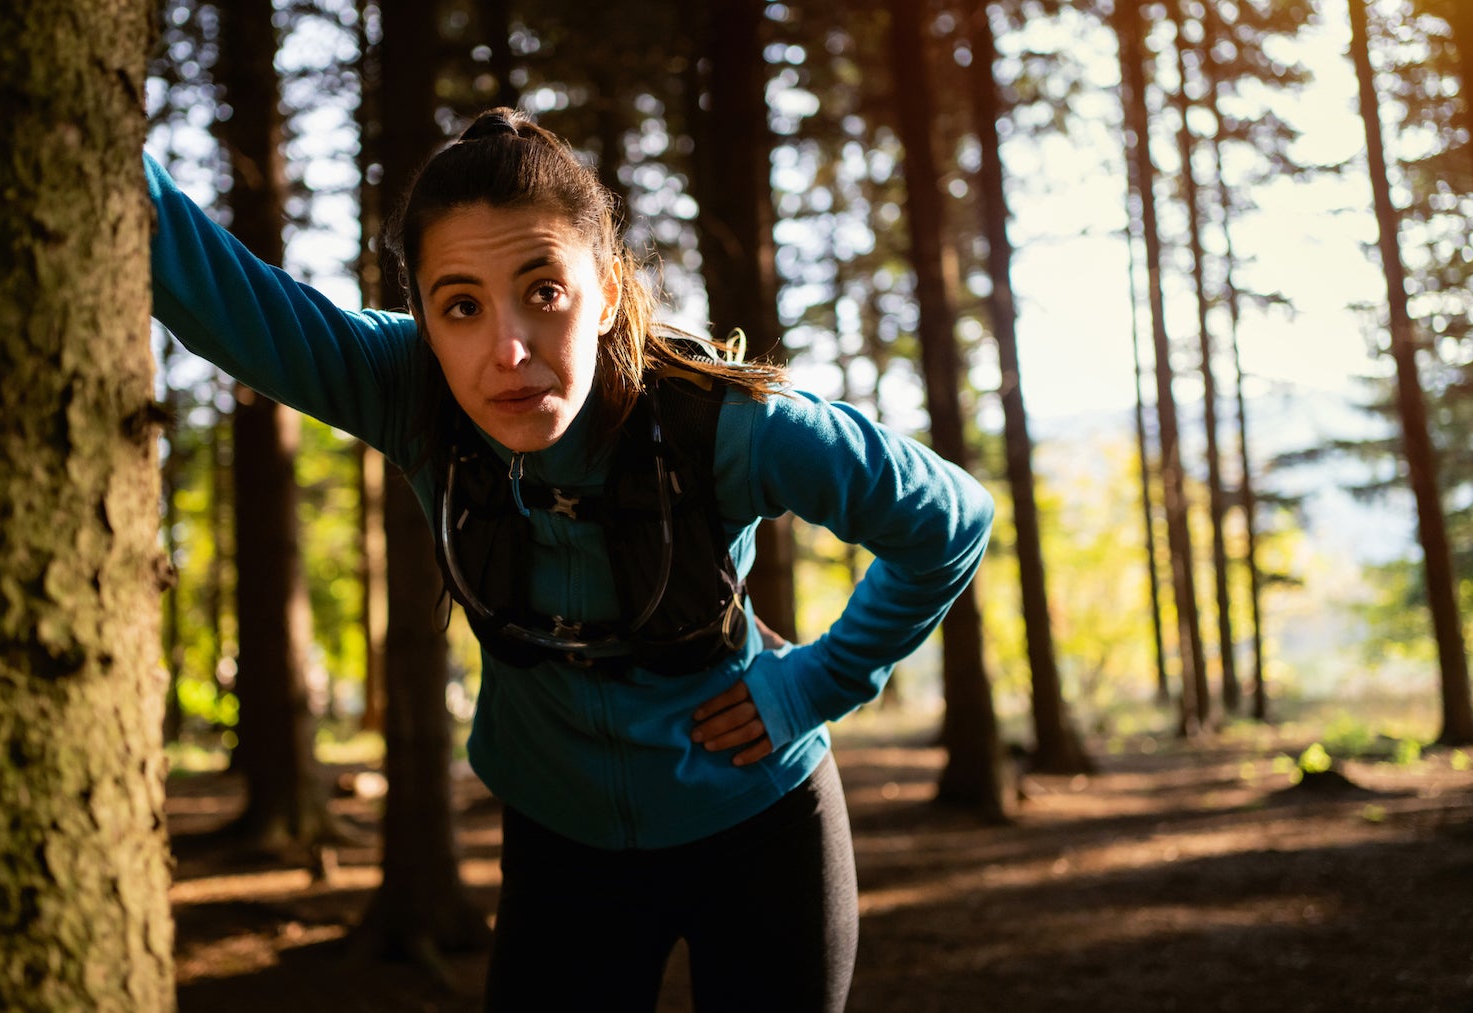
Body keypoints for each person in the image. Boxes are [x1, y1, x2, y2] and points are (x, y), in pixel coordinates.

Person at [145, 107, 993, 1013]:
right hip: (563, 850)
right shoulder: (406, 392)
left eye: (543, 290)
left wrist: (816, 684)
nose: (506, 351)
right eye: (461, 306)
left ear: (610, 293)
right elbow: (213, 289)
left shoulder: (728, 425)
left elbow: (948, 517)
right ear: (424, 320)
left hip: (762, 829)